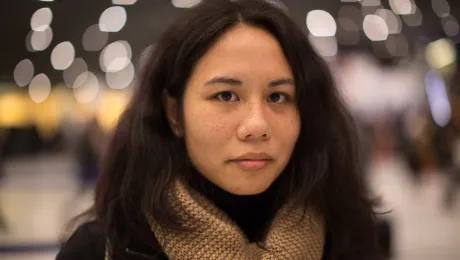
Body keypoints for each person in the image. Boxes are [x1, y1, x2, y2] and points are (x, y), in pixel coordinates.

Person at [56, 0, 384, 259]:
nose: (256, 125)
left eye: (278, 96)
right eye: (225, 95)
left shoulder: (348, 237)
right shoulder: (101, 249)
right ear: (174, 113)